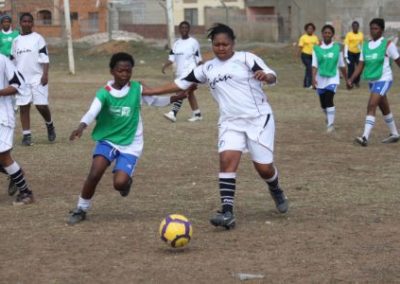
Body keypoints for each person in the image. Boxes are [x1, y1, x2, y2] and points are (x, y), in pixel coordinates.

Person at [143, 23, 289, 230]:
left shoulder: (246, 59)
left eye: (225, 44)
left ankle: (275, 188)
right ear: (211, 45)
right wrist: (149, 92)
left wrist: (266, 76)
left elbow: (271, 75)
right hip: (230, 122)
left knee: (264, 168)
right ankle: (227, 212)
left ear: (233, 44)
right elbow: (179, 84)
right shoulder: (206, 68)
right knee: (226, 161)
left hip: (258, 119)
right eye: (217, 45)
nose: (221, 48)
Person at [67, 52, 187, 225]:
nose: (124, 75)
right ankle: (81, 208)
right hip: (108, 140)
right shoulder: (104, 93)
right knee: (95, 173)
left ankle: (126, 183)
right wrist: (81, 126)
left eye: (128, 71)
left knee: (119, 184)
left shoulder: (136, 88)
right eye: (120, 71)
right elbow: (93, 111)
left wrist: (175, 97)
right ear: (112, 71)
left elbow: (154, 101)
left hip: (131, 143)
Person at [348, 18, 400, 147]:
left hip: (384, 79)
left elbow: (398, 61)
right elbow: (360, 65)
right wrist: (351, 79)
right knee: (384, 108)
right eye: (371, 28)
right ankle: (394, 134)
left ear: (382, 30)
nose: (373, 31)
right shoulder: (365, 46)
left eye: (376, 28)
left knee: (371, 105)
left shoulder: (388, 45)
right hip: (372, 81)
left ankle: (365, 137)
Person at [11, 13, 55, 146]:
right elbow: (13, 62)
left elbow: (45, 58)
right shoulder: (16, 41)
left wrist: (45, 74)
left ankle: (49, 124)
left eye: (29, 22)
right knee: (24, 107)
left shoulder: (38, 39)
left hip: (37, 77)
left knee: (41, 105)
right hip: (21, 80)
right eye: (24, 21)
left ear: (32, 23)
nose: (27, 24)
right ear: (20, 23)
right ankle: (27, 135)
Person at [0, 53, 34, 205]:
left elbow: (17, 84)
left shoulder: (2, 60)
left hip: (2, 116)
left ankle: (26, 193)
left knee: (4, 156)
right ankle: (16, 173)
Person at [162, 21, 203, 122]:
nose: (184, 30)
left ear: (189, 29)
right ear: (179, 30)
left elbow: (199, 59)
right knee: (189, 93)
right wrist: (165, 66)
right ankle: (197, 114)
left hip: (190, 72)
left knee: (181, 91)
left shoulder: (193, 42)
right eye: (182, 28)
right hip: (180, 73)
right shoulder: (176, 44)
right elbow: (171, 58)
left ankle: (173, 113)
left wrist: (200, 73)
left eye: (186, 28)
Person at [312, 24, 347, 133]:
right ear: (322, 34)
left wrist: (347, 79)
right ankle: (328, 118)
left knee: (328, 99)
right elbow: (314, 64)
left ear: (332, 35)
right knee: (323, 104)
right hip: (320, 78)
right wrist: (313, 79)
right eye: (325, 32)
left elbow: (342, 64)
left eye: (329, 33)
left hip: (333, 78)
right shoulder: (316, 48)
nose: (327, 34)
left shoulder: (337, 48)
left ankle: (330, 126)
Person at [298, 23, 319, 88]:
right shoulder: (303, 37)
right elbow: (300, 47)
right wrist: (298, 54)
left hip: (313, 56)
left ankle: (305, 84)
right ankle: (309, 84)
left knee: (309, 69)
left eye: (311, 29)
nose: (310, 30)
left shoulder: (315, 37)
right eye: (309, 29)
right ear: (306, 29)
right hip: (305, 55)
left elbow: (317, 46)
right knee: (310, 68)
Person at [344, 21, 363, 88]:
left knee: (359, 68)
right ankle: (350, 82)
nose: (355, 27)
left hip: (358, 53)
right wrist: (346, 55)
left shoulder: (361, 34)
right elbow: (346, 44)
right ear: (352, 27)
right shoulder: (349, 34)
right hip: (350, 53)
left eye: (356, 26)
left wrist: (362, 52)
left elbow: (362, 45)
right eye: (354, 26)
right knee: (350, 68)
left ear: (358, 27)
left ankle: (356, 82)